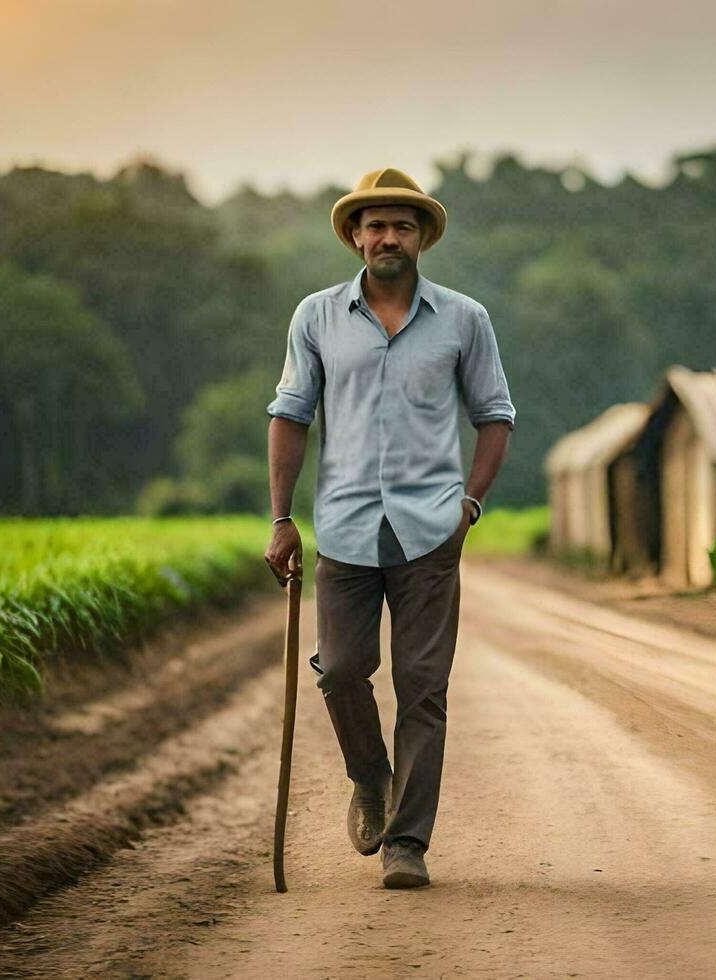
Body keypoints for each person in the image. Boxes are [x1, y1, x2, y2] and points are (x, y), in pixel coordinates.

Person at [262, 167, 515, 889]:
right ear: (354, 236)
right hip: (342, 529)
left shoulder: (465, 319)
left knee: (423, 687)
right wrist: (281, 520)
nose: (388, 238)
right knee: (341, 671)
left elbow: (495, 416)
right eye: (375, 226)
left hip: (431, 532)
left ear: (422, 238)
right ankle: (369, 778)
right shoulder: (315, 316)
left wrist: (470, 504)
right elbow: (290, 416)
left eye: (402, 226)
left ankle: (408, 843)